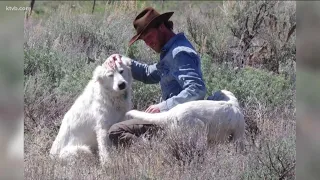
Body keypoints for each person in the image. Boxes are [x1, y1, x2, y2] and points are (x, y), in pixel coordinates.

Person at [107, 7, 207, 147]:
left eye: (148, 37)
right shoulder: (170, 51)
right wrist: (122, 60)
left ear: (161, 27)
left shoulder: (179, 53)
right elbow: (148, 73)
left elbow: (197, 89)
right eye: (144, 40)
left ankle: (155, 152)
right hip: (171, 117)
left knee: (116, 131)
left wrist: (162, 106)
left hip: (176, 119)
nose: (148, 44)